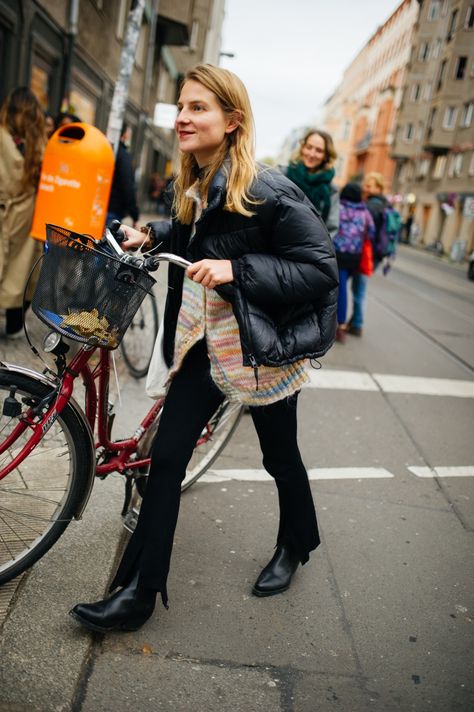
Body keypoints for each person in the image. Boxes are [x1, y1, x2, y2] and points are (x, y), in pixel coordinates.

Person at [69, 63, 339, 634]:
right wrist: (156, 234)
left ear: (233, 121)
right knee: (165, 461)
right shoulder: (193, 179)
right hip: (207, 343)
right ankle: (139, 595)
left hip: (262, 350)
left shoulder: (267, 189)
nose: (183, 118)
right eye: (181, 106)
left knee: (279, 457)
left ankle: (297, 543)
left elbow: (319, 269)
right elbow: (196, 233)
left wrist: (238, 269)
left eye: (199, 108)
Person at [0, 87, 45, 338]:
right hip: (25, 218)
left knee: (14, 269)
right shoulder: (38, 146)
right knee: (21, 273)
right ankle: (14, 322)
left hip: (14, 216)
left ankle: (14, 321)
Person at [332, 183, 374, 343]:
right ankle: (337, 322)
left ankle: (340, 325)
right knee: (341, 287)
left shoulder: (339, 208)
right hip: (354, 257)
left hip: (338, 254)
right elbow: (371, 232)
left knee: (339, 290)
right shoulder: (365, 212)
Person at [347, 172, 386, 337]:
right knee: (359, 289)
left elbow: (366, 232)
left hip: (364, 255)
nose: (365, 188)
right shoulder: (384, 205)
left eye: (369, 186)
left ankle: (357, 324)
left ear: (378, 188)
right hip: (373, 255)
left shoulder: (371, 206)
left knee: (358, 289)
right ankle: (355, 321)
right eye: (365, 185)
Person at [282, 129, 340, 238]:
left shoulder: (332, 189)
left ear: (326, 156)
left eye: (319, 150)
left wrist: (314, 251)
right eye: (309, 147)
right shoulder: (283, 175)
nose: (312, 154)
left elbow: (331, 228)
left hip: (307, 248)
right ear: (302, 148)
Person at [107, 122, 139, 227]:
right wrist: (135, 215)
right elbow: (128, 185)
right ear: (125, 135)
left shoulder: (104, 150)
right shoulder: (123, 155)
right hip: (113, 210)